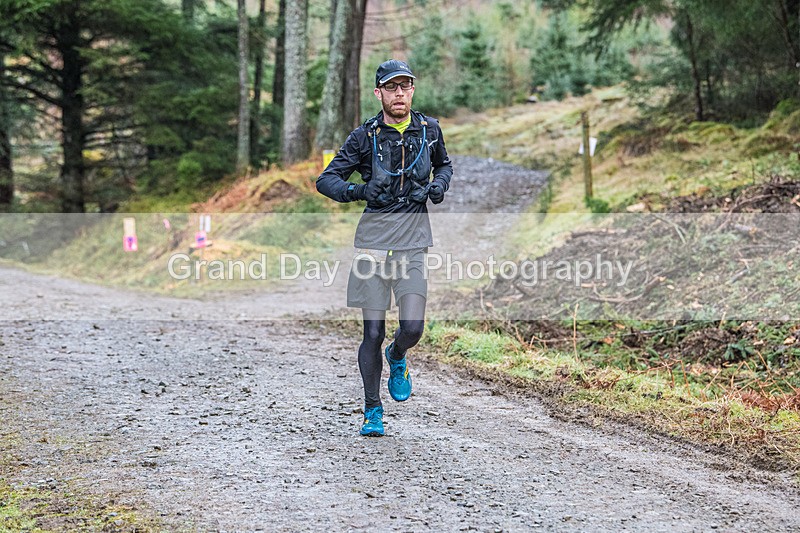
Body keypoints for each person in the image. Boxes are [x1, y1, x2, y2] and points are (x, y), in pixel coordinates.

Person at [316, 59, 453, 437]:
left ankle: (398, 355)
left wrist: (440, 185)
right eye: (391, 87)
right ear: (378, 93)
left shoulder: (429, 130)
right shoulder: (364, 137)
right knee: (372, 333)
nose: (399, 93)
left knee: (412, 327)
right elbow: (326, 180)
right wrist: (358, 191)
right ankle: (372, 410)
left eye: (405, 86)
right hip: (373, 246)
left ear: (412, 91)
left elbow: (444, 165)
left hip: (413, 242)